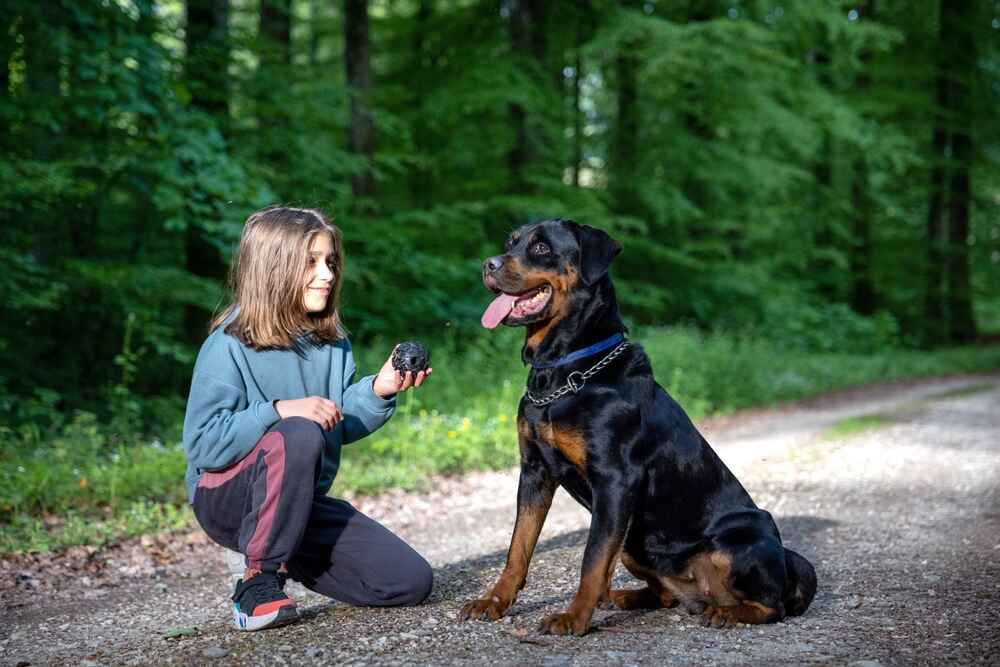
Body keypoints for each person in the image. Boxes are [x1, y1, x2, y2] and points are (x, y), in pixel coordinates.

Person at [182, 206, 434, 631]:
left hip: (296, 499)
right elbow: (204, 444)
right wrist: (279, 410)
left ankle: (280, 543)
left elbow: (335, 421)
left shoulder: (333, 344)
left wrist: (379, 389)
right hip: (225, 497)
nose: (328, 274)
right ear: (273, 268)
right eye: (312, 262)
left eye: (330, 261)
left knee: (408, 582)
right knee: (297, 431)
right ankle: (257, 583)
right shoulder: (227, 344)